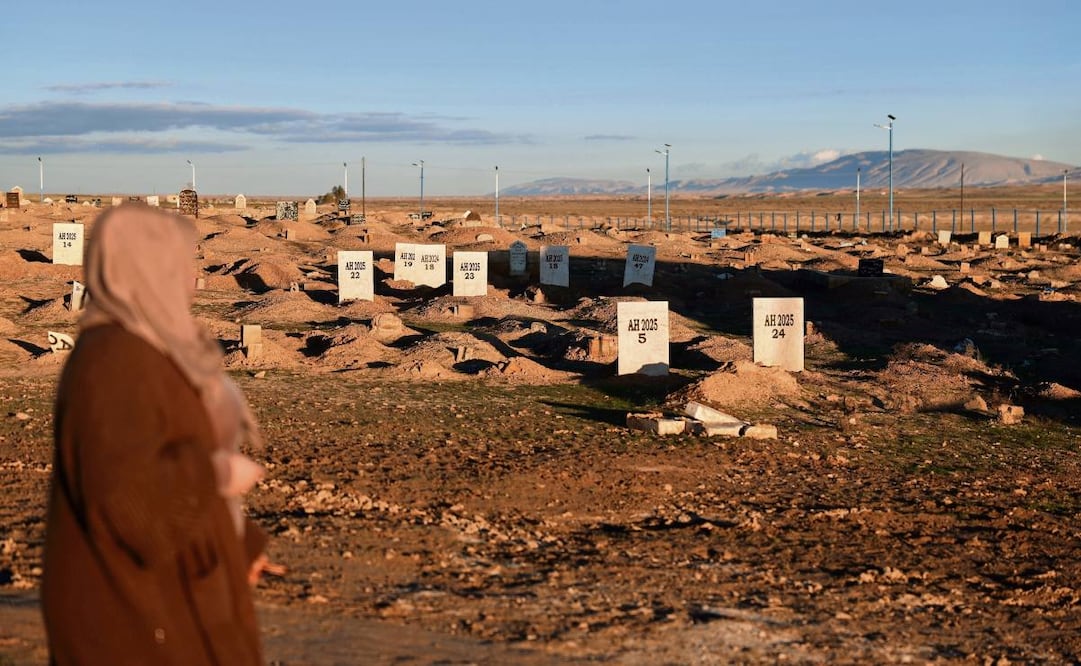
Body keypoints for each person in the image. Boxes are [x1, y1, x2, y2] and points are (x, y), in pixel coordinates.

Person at [42, 204, 271, 664]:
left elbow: (165, 456)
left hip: (167, 588)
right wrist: (219, 474)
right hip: (131, 616)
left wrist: (239, 544)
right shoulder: (113, 362)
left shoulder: (150, 347)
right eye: (179, 264)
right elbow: (134, 507)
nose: (192, 279)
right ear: (143, 268)